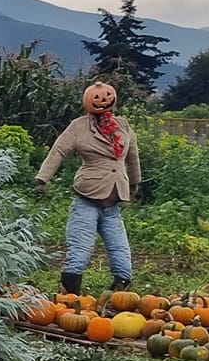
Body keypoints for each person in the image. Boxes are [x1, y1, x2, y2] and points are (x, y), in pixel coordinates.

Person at [33, 80, 140, 293]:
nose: (103, 102)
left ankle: (118, 297)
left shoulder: (123, 126)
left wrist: (135, 182)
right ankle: (69, 299)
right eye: (98, 98)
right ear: (88, 102)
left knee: (122, 256)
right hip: (87, 200)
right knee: (80, 252)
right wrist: (42, 179)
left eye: (107, 98)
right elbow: (59, 150)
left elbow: (133, 157)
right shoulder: (79, 126)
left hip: (113, 201)